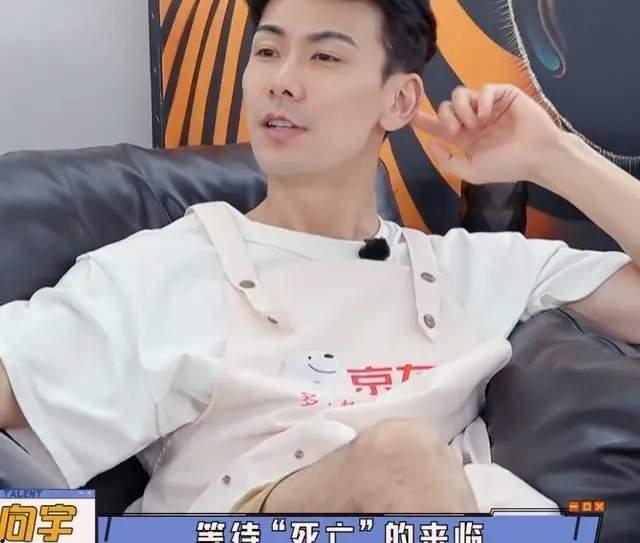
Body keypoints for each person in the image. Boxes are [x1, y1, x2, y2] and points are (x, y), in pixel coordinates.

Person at [1, 0, 639, 514]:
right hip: (253, 516)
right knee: (399, 460)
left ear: (399, 100)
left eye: (325, 56)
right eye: (267, 51)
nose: (282, 80)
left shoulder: (468, 269)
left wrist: (551, 156)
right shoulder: (163, 270)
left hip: (461, 517)